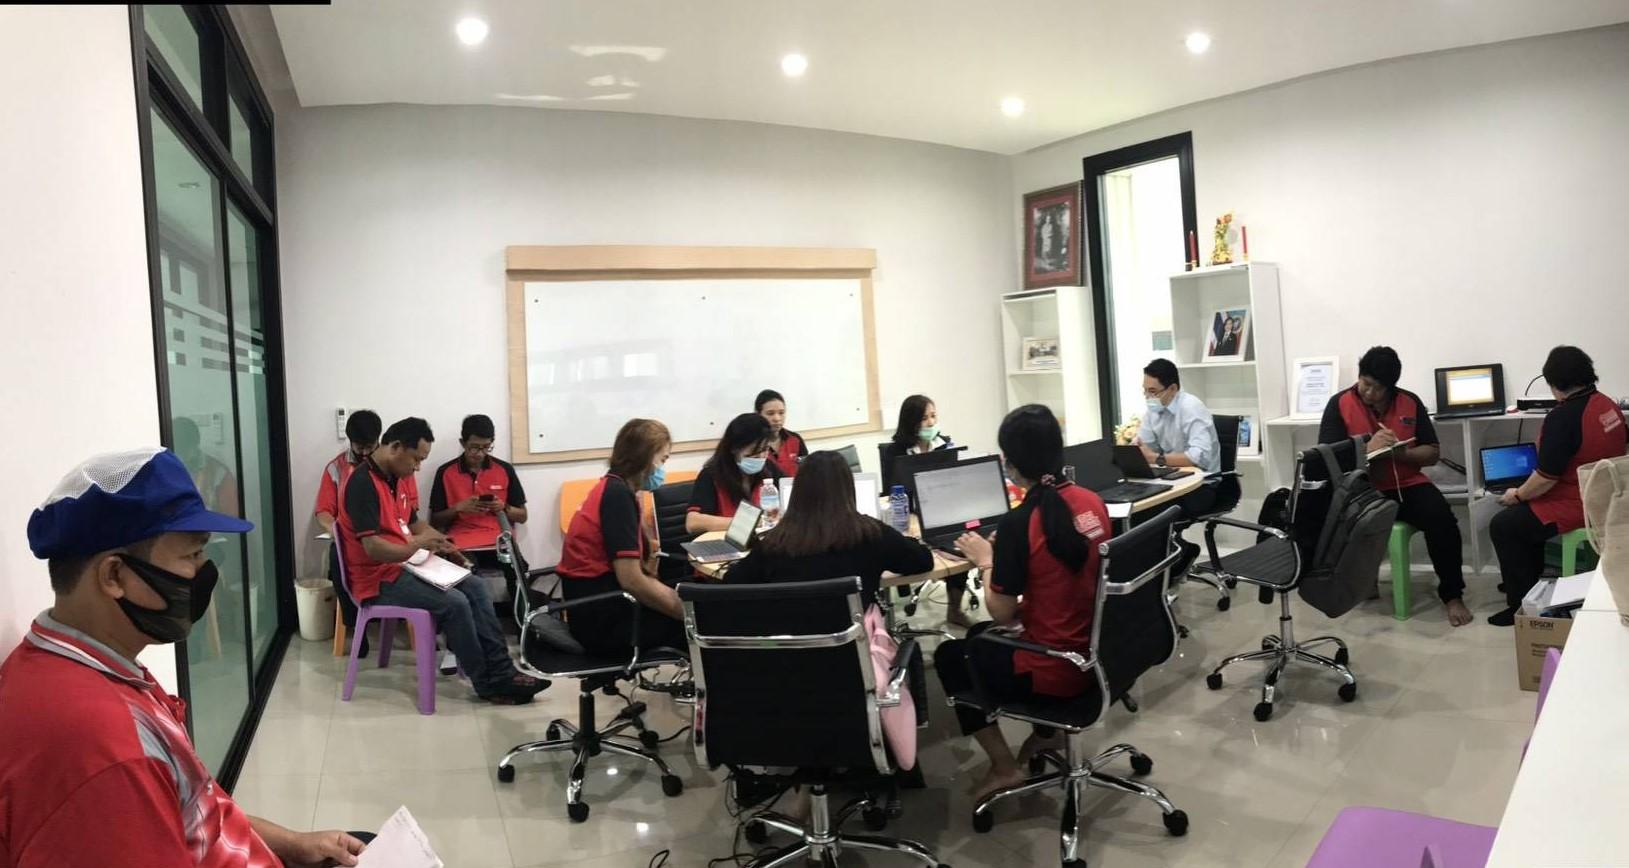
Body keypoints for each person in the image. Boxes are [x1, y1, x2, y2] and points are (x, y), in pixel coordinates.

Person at [0, 447, 369, 867]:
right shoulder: (101, 748)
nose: (204, 571)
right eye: (192, 556)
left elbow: (193, 807)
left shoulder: (90, 664)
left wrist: (292, 843)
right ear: (114, 575)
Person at [934, 405, 1111, 800]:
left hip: (1054, 666)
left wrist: (987, 560)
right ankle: (1047, 735)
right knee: (979, 637)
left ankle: (1004, 766)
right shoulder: (1091, 502)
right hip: (1100, 652)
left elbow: (1002, 612)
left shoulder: (1020, 523)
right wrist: (1013, 555)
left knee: (951, 656)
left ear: (1009, 465)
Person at [338, 417, 546, 704]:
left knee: (475, 586)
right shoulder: (362, 484)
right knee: (455, 603)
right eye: (416, 459)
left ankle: (502, 670)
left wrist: (445, 544)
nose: (417, 467)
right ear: (396, 447)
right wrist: (417, 546)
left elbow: (416, 524)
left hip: (403, 565)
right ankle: (487, 683)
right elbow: (374, 549)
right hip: (376, 579)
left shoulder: (395, 478)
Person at [1318, 347, 1471, 626]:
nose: (1369, 392)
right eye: (1365, 383)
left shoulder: (1409, 402)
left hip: (1407, 484)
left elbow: (1432, 452)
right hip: (1362, 489)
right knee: (1344, 521)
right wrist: (1367, 449)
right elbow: (1328, 457)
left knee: (1443, 521)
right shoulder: (1338, 403)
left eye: (1378, 388)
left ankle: (1452, 595)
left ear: (1391, 387)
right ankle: (1364, 581)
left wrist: (1402, 454)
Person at [1488, 346, 1627, 626]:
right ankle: (1527, 583)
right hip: (1607, 494)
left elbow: (1546, 477)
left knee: (1504, 525)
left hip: (1578, 502)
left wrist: (1517, 494)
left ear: (1554, 384)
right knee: (1522, 520)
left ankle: (1520, 605)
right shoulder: (1607, 404)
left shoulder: (1563, 417)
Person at [726, 451, 933, 606]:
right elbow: (923, 560)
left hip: (793, 647)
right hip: (855, 646)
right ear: (848, 488)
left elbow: (732, 580)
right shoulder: (872, 533)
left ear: (799, 491)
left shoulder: (775, 542)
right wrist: (908, 541)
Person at [558, 418, 689, 656]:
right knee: (701, 626)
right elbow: (632, 581)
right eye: (662, 460)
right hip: (604, 620)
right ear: (645, 458)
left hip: (595, 606)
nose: (663, 469)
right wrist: (687, 613)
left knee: (688, 598)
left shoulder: (614, 487)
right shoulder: (617, 497)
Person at [878, 394, 969, 626]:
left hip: (941, 509)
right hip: (909, 512)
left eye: (933, 416)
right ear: (911, 421)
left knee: (959, 545)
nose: (931, 423)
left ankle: (955, 610)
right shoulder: (895, 451)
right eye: (924, 418)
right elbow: (890, 491)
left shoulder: (944, 443)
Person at [429, 414, 529, 602]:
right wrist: (459, 508)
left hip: (498, 540)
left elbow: (523, 516)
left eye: (486, 447)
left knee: (519, 572)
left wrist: (503, 507)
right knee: (468, 577)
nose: (480, 454)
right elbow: (435, 520)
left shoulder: (504, 469)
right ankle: (477, 618)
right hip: (462, 541)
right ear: (463, 443)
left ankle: (522, 618)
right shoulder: (445, 472)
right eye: (474, 447)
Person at [1137, 359, 1223, 575]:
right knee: (1136, 509)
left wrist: (1156, 458)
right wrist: (1134, 451)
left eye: (1153, 391)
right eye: (1145, 391)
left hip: (1204, 486)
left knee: (1151, 514)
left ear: (1173, 388)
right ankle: (1166, 561)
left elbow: (1198, 457)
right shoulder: (1153, 410)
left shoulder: (1191, 408)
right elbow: (1144, 445)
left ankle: (1178, 554)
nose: (1148, 397)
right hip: (1172, 481)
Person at [315, 408, 382, 651]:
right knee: (337, 559)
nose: (364, 453)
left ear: (379, 440)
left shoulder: (392, 466)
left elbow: (409, 507)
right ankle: (355, 627)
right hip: (350, 539)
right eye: (359, 447)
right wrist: (335, 529)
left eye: (369, 447)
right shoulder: (336, 468)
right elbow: (324, 512)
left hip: (384, 537)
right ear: (350, 441)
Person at [686, 412, 784, 534]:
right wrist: (749, 523)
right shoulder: (711, 475)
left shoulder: (769, 468)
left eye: (765, 449)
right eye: (754, 451)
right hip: (725, 541)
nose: (761, 456)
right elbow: (693, 523)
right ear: (734, 448)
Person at [757, 389, 808, 478]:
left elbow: (807, 470)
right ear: (758, 414)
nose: (777, 418)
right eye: (770, 413)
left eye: (781, 413)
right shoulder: (752, 443)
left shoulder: (795, 439)